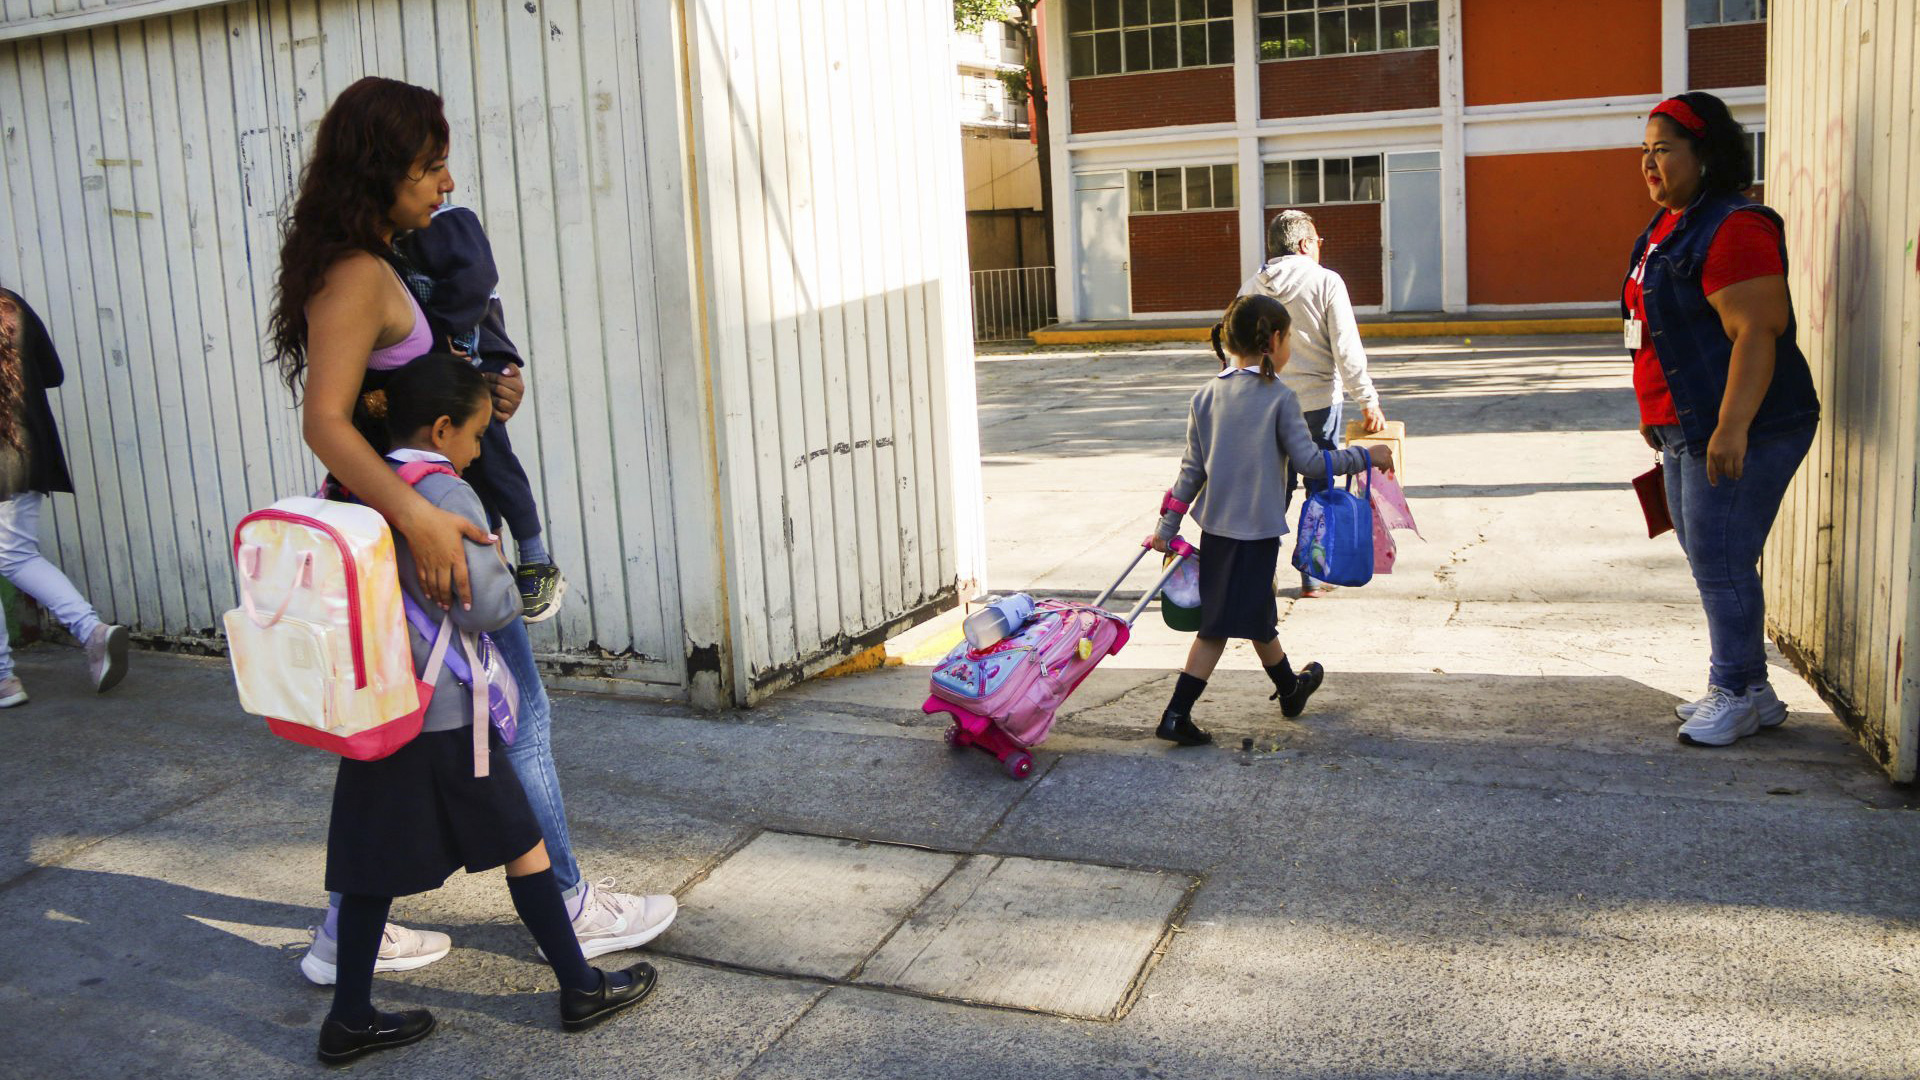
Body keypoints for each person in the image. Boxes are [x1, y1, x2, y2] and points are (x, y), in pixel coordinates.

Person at [265, 76, 674, 985]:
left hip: (406, 528)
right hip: (410, 533)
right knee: (514, 711)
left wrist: (485, 388)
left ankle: (346, 932)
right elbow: (326, 420)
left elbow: (406, 391)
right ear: (382, 171)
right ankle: (566, 903)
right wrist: (419, 519)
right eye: (430, 166)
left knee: (398, 729)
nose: (446, 184)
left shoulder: (382, 260)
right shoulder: (357, 274)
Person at [316, 357, 653, 1064]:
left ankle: (349, 1015)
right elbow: (491, 606)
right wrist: (501, 567)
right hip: (442, 711)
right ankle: (580, 987)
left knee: (368, 861)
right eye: (476, 435)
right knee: (524, 843)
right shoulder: (445, 492)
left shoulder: (353, 482)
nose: (478, 450)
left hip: (375, 697)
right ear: (442, 429)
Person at [1624, 92, 1820, 748]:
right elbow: (1651, 335)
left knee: (1722, 557)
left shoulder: (1735, 226)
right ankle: (1754, 690)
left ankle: (1733, 690)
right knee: (1712, 555)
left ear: (1703, 155)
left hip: (1745, 426)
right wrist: (1655, 417)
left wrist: (1731, 428)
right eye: (1645, 152)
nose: (1650, 163)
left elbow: (1758, 332)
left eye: (1665, 150)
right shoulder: (1665, 229)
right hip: (1685, 427)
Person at [1148, 294, 1392, 747]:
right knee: (1219, 627)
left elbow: (1190, 472)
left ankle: (1289, 690)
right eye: (1289, 341)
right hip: (1256, 534)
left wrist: (1166, 529)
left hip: (1217, 531)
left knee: (1258, 615)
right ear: (1274, 340)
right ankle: (1177, 714)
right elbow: (1311, 463)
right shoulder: (1280, 398)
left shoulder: (1206, 395)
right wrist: (1364, 455)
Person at [397, 205, 566, 622]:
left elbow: (476, 280)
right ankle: (495, 548)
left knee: (490, 456)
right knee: (471, 468)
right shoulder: (383, 245)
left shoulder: (447, 222)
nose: (444, 181)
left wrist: (445, 333)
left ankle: (534, 554)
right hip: (450, 367)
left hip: (477, 357)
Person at [1238, 209, 1389, 598]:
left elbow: (1236, 347)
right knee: (1320, 486)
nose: (1320, 248)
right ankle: (1313, 574)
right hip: (1319, 403)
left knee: (1273, 490)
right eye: (1318, 241)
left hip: (1265, 404)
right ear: (1305, 244)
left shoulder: (1251, 287)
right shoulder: (1326, 282)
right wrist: (1367, 399)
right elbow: (1345, 348)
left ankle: (1262, 572)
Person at [0, 287, 129, 706]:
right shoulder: (10, 303)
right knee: (16, 554)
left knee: (13, 556)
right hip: (28, 451)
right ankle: (88, 631)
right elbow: (52, 374)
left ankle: (5, 678)